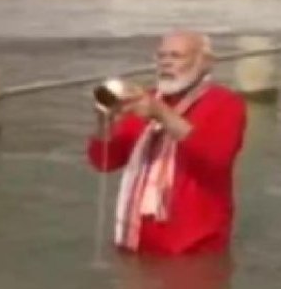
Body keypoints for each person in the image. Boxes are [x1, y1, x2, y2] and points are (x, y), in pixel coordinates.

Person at [87, 31, 247, 256]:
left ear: (205, 62)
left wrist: (160, 113)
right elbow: (104, 162)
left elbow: (216, 157)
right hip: (135, 243)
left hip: (195, 249)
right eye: (161, 56)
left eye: (176, 56)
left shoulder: (225, 103)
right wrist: (104, 121)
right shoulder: (145, 100)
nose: (166, 63)